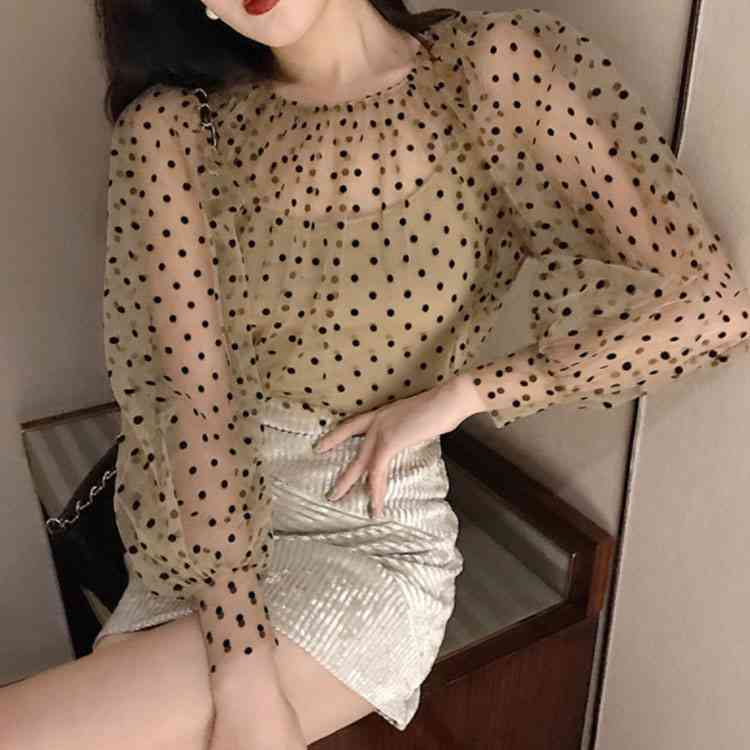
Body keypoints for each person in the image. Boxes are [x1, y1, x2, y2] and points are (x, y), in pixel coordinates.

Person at [3, 2, 749, 749]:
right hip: (202, 535)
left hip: (366, 527)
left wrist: (466, 395)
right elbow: (196, 405)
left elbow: (708, 305)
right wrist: (243, 669)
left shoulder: (490, 71)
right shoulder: (174, 131)